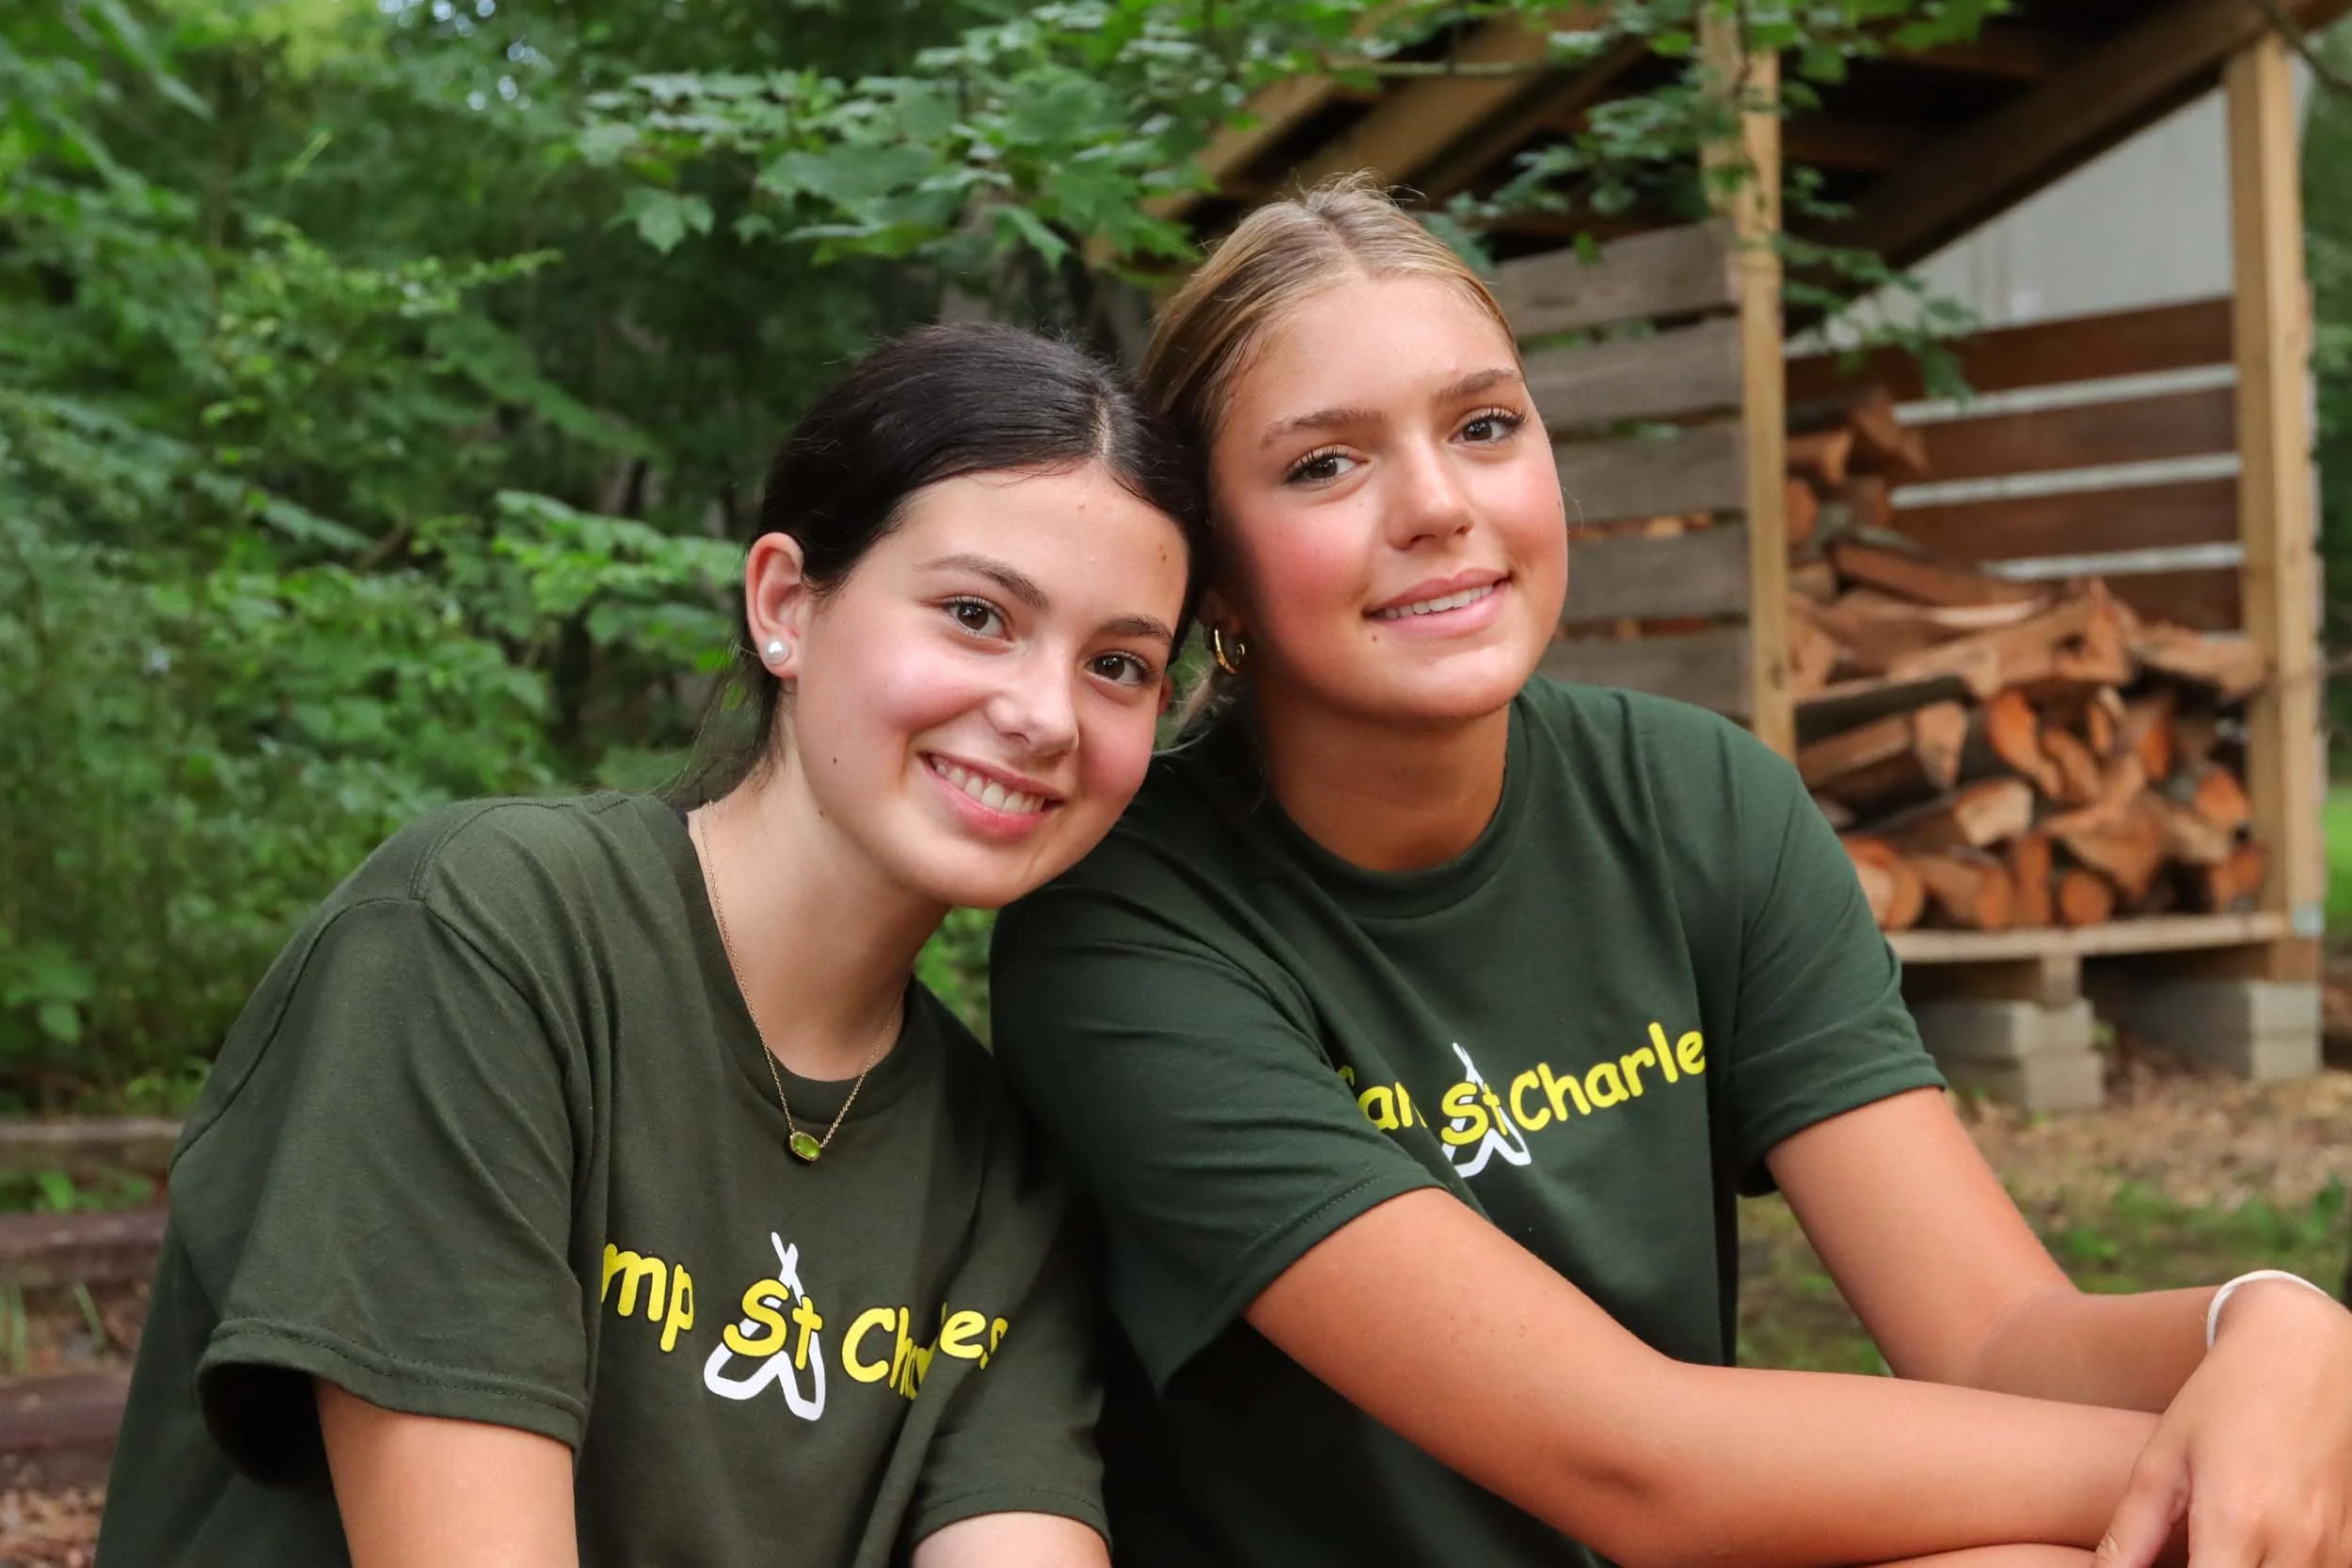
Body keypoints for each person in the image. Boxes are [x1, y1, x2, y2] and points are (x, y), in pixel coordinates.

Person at [989, 175, 2352, 1568]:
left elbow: (1998, 1335)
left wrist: (2266, 1323)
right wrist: (2214, 1472)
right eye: (1324, 464)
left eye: (1485, 425)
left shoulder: (1702, 802)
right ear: (1209, 573)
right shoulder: (1125, 922)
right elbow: (1631, 1458)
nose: (1439, 504)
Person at [96, 322, 1207, 1568]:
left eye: (1118, 663)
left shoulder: (1003, 1165)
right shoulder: (485, 936)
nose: (1047, 714)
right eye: (976, 613)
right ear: (786, 602)